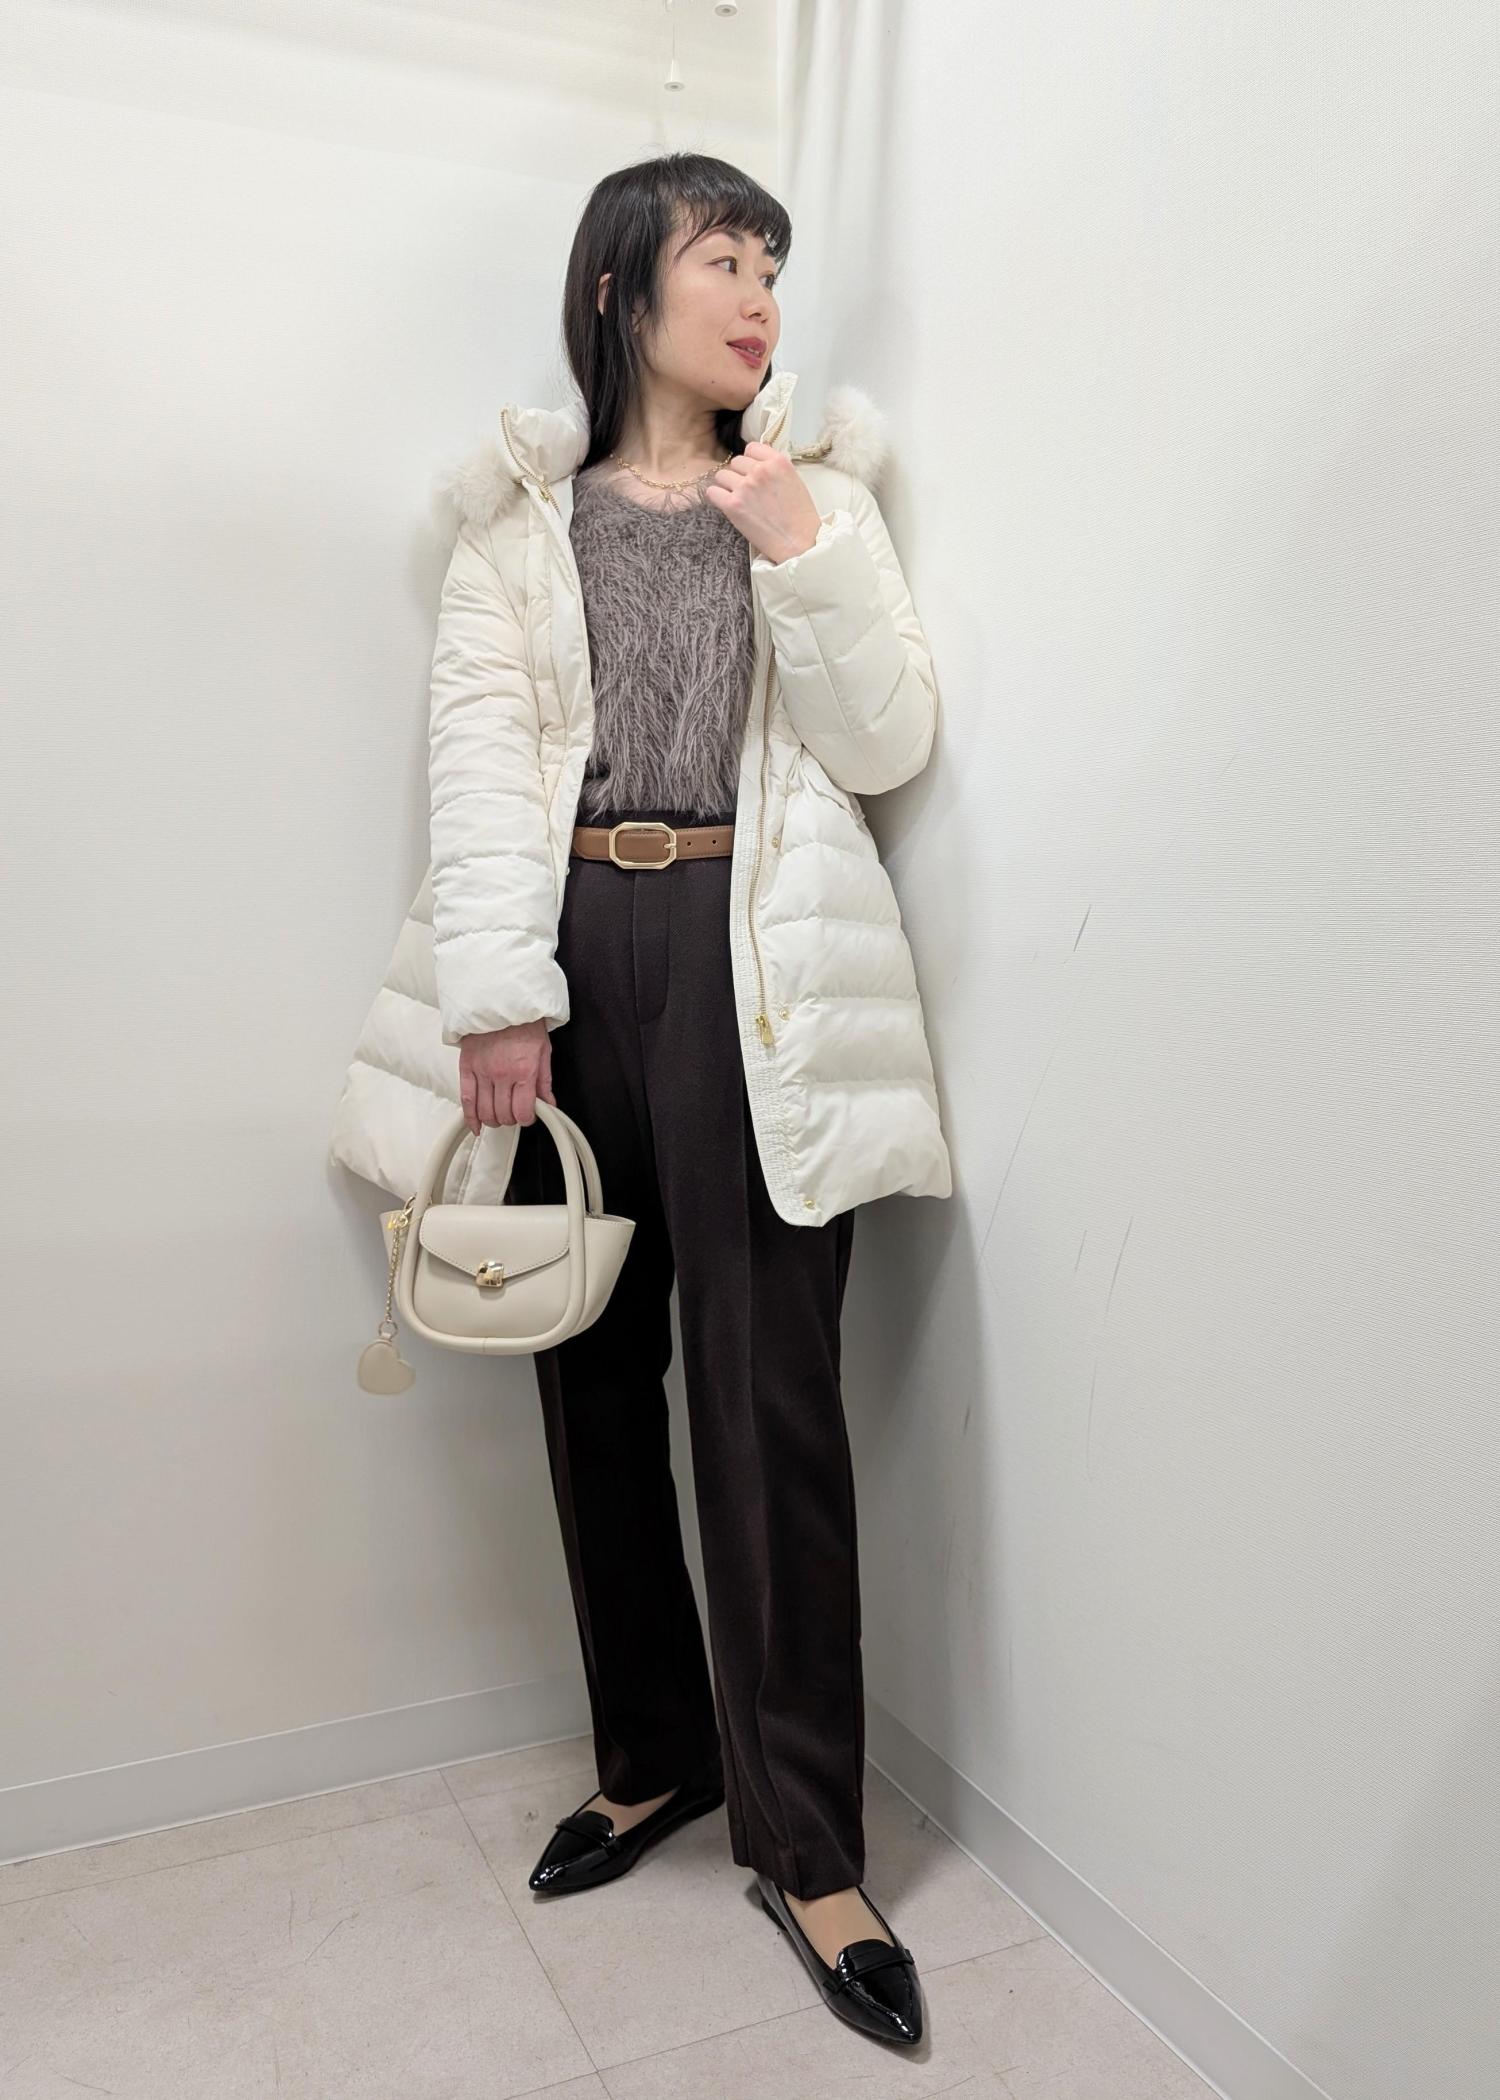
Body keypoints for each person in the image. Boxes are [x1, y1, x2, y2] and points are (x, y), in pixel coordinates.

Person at [330, 149, 951, 2047]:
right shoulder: (520, 527)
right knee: (590, 1378)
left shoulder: (818, 495)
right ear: (621, 289)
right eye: (720, 258)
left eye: (773, 264)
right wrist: (503, 996)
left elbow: (886, 740)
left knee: (770, 1399)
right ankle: (655, 1755)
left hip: (756, 955)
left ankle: (808, 1842)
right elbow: (479, 763)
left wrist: (799, 549)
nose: (758, 295)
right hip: (573, 943)